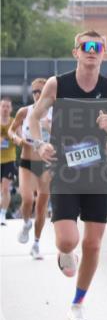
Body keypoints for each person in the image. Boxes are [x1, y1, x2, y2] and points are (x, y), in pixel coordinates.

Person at [31, 30, 107, 320]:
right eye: (86, 46)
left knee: (91, 245)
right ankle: (65, 253)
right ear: (76, 52)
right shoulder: (57, 84)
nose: (92, 50)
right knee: (68, 240)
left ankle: (77, 304)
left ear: (104, 52)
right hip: (65, 171)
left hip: (98, 173)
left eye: (98, 46)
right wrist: (41, 145)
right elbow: (33, 119)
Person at [6, 79, 54, 258]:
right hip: (27, 162)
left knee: (41, 207)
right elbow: (11, 130)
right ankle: (26, 223)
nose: (37, 94)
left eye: (40, 91)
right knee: (27, 199)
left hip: (47, 165)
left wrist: (51, 129)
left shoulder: (53, 114)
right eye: (34, 91)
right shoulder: (25, 111)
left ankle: (36, 243)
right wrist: (16, 139)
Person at [0, 97, 15, 226]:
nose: (5, 108)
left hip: (9, 159)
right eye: (3, 106)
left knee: (5, 188)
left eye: (7, 106)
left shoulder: (14, 122)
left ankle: (2, 215)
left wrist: (15, 138)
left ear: (11, 109)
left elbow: (20, 137)